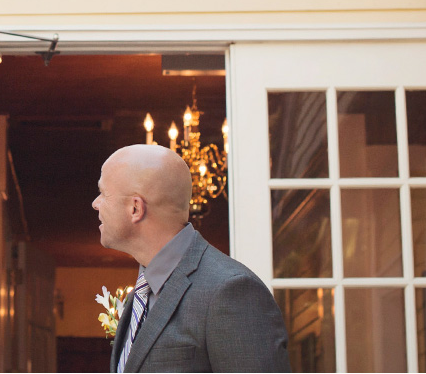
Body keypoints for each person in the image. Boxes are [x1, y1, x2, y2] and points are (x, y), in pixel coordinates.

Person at [92, 144, 290, 373]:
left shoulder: (230, 291)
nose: (96, 203)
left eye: (103, 193)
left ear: (135, 208)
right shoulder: (141, 293)